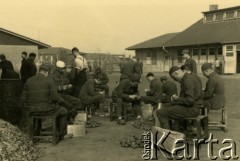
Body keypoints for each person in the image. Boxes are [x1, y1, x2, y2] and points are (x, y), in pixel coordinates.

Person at [22, 63, 71, 138]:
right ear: (47, 72)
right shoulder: (48, 80)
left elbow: (24, 98)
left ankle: (35, 133)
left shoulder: (29, 80)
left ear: (39, 71)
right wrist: (65, 104)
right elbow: (55, 97)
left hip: (32, 110)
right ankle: (62, 134)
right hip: (46, 109)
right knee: (64, 111)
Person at [156, 66, 202, 130]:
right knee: (167, 106)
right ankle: (177, 128)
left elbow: (189, 100)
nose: (175, 80)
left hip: (191, 109)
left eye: (174, 78)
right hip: (195, 107)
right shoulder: (193, 76)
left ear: (176, 73)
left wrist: (177, 99)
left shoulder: (187, 80)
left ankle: (167, 135)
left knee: (160, 113)